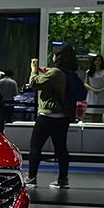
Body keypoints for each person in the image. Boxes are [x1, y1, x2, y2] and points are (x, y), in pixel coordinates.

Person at [25, 44, 78, 189]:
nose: (53, 56)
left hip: (48, 115)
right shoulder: (68, 72)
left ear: (59, 57)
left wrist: (33, 70)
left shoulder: (55, 72)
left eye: (54, 54)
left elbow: (34, 83)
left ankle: (31, 178)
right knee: (61, 148)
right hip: (63, 116)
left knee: (35, 146)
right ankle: (63, 179)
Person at [84, 55, 104, 123]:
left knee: (100, 113)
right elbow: (85, 83)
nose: (97, 61)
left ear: (102, 62)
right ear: (93, 61)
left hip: (101, 93)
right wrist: (93, 89)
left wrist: (101, 90)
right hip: (92, 93)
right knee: (92, 112)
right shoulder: (89, 72)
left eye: (99, 60)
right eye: (96, 60)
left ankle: (99, 126)